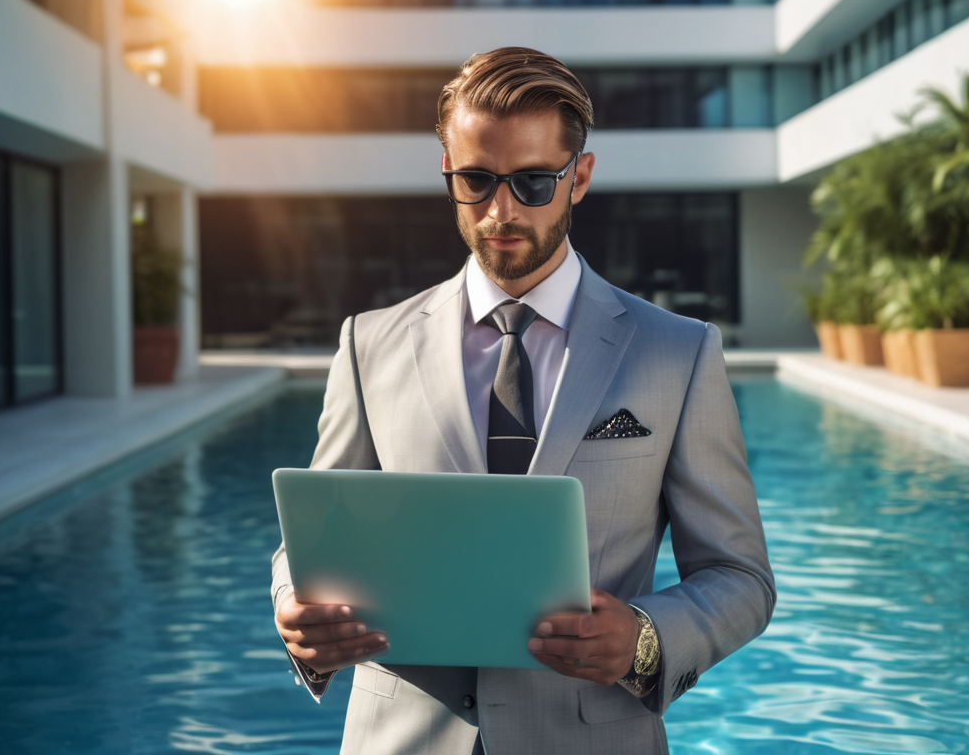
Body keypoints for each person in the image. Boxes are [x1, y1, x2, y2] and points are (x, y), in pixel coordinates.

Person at [272, 46, 775, 755]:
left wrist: (644, 641)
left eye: (535, 181)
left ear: (581, 178)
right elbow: (312, 538)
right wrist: (295, 611)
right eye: (476, 180)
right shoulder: (368, 345)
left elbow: (740, 577)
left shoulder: (678, 353)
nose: (501, 210)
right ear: (447, 174)